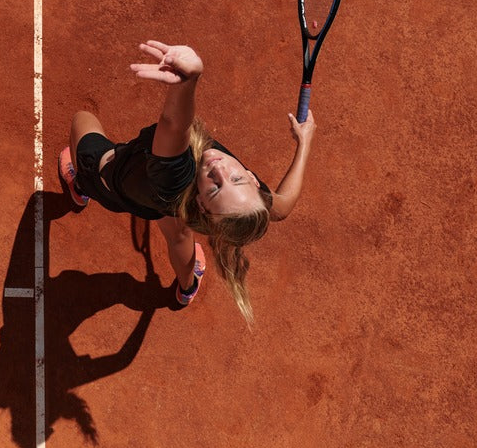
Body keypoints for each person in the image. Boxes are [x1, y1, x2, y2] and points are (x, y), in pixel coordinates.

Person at [57, 40, 316, 326]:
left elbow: (173, 124)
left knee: (83, 120)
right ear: (253, 181)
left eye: (216, 188)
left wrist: (189, 80)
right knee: (179, 232)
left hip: (109, 182)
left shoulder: (172, 179)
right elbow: (282, 206)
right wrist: (304, 143)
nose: (220, 170)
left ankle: (80, 187)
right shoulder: (223, 201)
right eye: (237, 178)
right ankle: (187, 287)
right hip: (163, 204)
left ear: (202, 203)